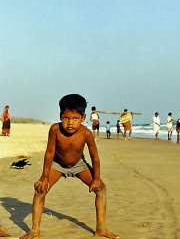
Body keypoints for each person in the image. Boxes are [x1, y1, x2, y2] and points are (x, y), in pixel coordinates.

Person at [20, 94, 118, 239]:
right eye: (66, 118)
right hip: (57, 164)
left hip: (79, 164)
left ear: (83, 118)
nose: (70, 123)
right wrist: (44, 176)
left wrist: (96, 178)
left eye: (75, 118)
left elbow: (95, 157)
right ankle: (35, 230)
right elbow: (49, 153)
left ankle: (101, 229)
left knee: (101, 189)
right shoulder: (55, 129)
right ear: (60, 116)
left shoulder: (86, 133)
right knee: (40, 190)